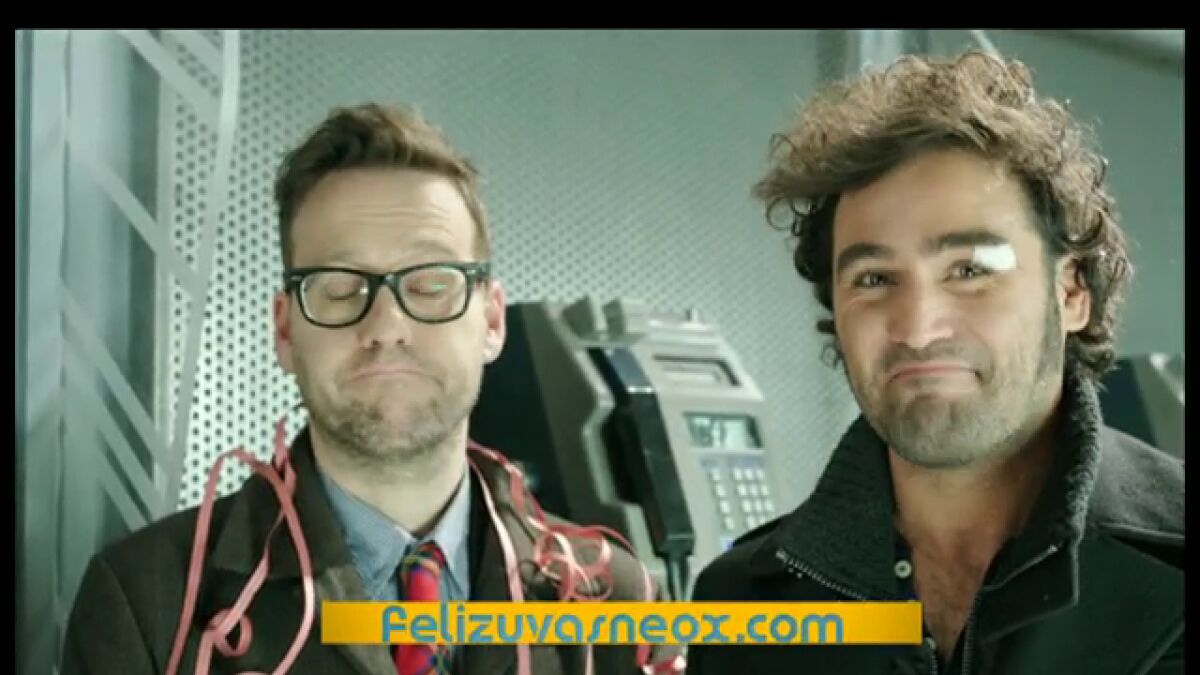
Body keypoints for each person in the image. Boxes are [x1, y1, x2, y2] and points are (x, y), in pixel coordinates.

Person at [62, 103, 683, 675]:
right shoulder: (147, 605)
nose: (386, 326)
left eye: (431, 283)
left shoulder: (618, 601)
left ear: (492, 322)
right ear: (286, 331)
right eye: (338, 287)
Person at [687, 51, 1183, 674]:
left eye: (969, 270)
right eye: (874, 279)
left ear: (1072, 291)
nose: (918, 329)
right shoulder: (742, 604)